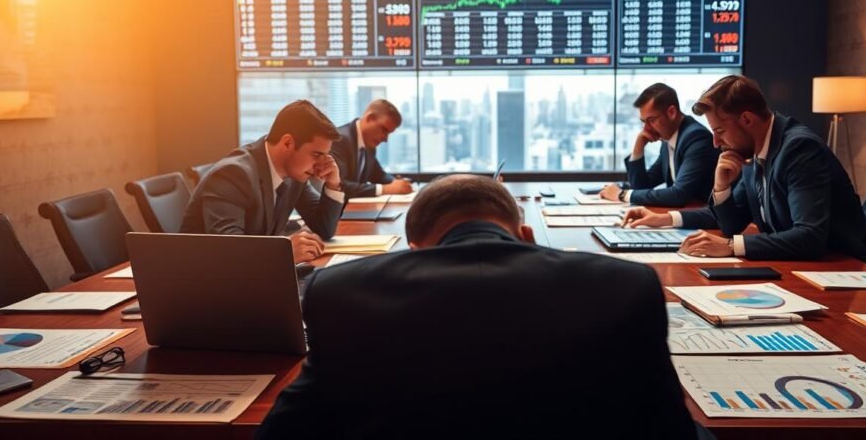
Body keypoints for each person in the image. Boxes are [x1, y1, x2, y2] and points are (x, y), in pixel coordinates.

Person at [257, 175, 698, 440]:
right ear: (525, 234)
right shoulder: (626, 285)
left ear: (414, 250)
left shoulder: (338, 291)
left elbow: (286, 430)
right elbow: (668, 427)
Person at [621, 75, 866, 266]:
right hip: (804, 268)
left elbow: (810, 237)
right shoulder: (753, 152)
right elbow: (731, 223)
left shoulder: (799, 150)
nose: (715, 142)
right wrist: (721, 188)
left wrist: (731, 246)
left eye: (720, 131)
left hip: (849, 272)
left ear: (746, 120)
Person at [179, 100, 345, 263]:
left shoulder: (295, 176)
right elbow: (228, 253)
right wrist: (282, 254)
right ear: (287, 143)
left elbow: (323, 228)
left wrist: (333, 184)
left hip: (254, 277)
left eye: (326, 156)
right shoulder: (233, 174)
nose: (322, 165)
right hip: (210, 282)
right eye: (316, 155)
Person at [600, 82, 719, 206]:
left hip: (705, 221)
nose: (646, 129)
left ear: (671, 112)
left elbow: (679, 195)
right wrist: (638, 146)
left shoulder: (696, 138)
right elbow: (642, 187)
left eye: (651, 120)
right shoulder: (669, 138)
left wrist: (622, 195)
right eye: (643, 122)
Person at [330, 99, 412, 199]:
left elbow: (379, 176)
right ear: (370, 118)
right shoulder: (339, 139)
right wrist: (385, 189)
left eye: (389, 133)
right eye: (384, 130)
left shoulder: (368, 144)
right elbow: (339, 185)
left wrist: (396, 183)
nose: (385, 139)